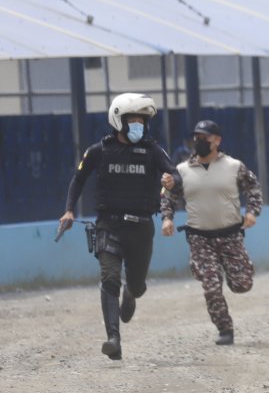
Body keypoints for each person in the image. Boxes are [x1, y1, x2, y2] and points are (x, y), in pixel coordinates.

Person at [58, 93, 179, 360]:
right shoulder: (98, 151)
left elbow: (175, 176)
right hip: (108, 225)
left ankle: (132, 294)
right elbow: (78, 180)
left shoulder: (153, 150)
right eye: (132, 119)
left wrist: (172, 181)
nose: (138, 125)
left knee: (136, 285)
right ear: (118, 120)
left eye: (142, 121)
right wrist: (68, 210)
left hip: (142, 227)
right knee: (110, 278)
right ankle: (113, 339)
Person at [160, 120, 263, 345]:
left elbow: (253, 188)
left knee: (242, 284)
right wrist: (167, 218)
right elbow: (168, 196)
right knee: (211, 286)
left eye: (204, 137)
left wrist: (252, 212)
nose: (199, 141)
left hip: (231, 235)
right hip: (200, 238)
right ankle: (225, 329)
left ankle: (238, 268)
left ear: (217, 140)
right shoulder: (181, 171)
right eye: (196, 137)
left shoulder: (234, 166)